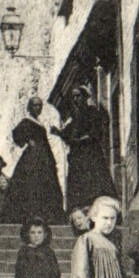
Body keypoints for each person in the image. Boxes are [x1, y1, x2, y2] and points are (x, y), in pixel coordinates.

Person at [1, 97, 65, 227]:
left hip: (44, 157)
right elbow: (16, 134)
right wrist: (27, 140)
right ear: (30, 107)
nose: (38, 108)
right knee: (31, 184)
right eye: (35, 105)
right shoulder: (27, 121)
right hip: (33, 158)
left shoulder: (39, 122)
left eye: (40, 105)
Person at [53, 85, 116, 215]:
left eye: (78, 96)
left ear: (85, 97)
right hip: (77, 156)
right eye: (73, 97)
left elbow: (96, 131)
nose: (75, 99)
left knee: (93, 181)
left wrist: (82, 139)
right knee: (78, 183)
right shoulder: (75, 118)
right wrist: (58, 132)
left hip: (90, 154)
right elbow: (68, 133)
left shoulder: (92, 112)